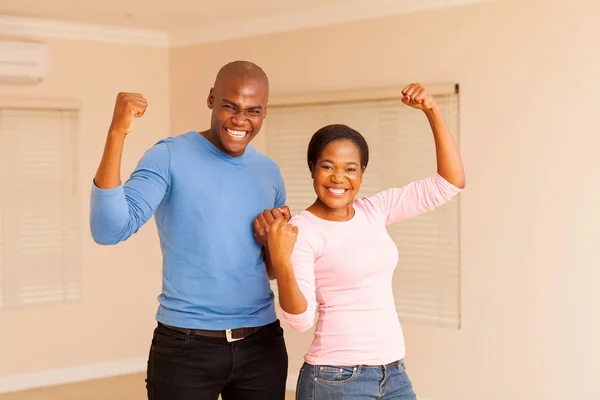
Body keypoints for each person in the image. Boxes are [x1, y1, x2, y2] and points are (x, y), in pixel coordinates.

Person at [90, 61, 290, 400]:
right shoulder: (168, 156)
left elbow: (270, 269)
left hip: (262, 346)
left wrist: (272, 244)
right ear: (211, 99)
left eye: (252, 111)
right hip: (186, 348)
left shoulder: (269, 172)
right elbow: (109, 229)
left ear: (264, 111)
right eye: (230, 106)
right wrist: (116, 133)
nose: (241, 120)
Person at [261, 83, 465, 399]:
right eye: (327, 166)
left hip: (393, 372)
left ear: (362, 173)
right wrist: (281, 259)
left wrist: (433, 111)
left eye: (350, 169)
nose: (338, 178)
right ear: (312, 168)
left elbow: (449, 184)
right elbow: (300, 320)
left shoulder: (374, 210)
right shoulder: (303, 230)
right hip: (335, 378)